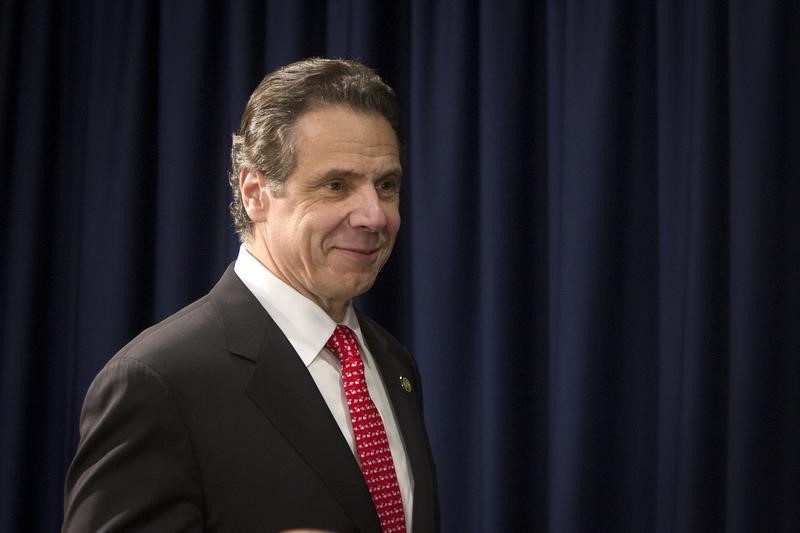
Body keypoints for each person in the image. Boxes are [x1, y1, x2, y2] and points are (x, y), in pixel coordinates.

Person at [62, 58, 440, 533]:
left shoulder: (392, 363)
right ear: (254, 191)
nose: (374, 216)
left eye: (386, 186)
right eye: (336, 185)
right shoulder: (157, 382)